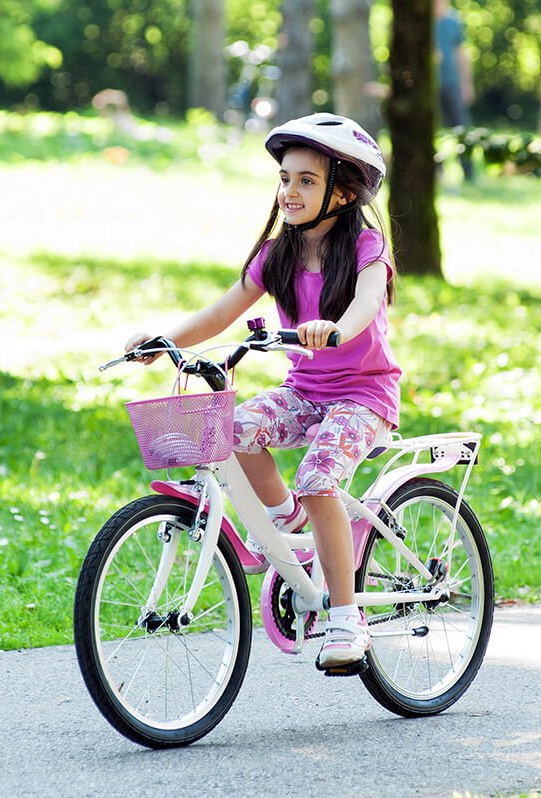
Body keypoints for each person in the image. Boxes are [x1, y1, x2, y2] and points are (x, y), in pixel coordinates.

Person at [124, 113, 401, 671]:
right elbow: (223, 311)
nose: (290, 191)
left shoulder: (367, 247)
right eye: (284, 178)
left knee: (321, 476)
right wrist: (163, 339)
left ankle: (346, 618)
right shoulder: (277, 254)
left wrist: (338, 328)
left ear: (343, 193)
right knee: (228, 431)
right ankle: (289, 522)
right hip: (304, 388)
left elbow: (369, 298)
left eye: (306, 180)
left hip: (362, 396)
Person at [434, 0, 475, 182]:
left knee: (462, 128)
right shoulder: (421, 23)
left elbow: (461, 54)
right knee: (432, 130)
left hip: (451, 83)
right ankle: (436, 171)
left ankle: (468, 171)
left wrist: (467, 84)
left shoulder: (453, 21)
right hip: (430, 86)